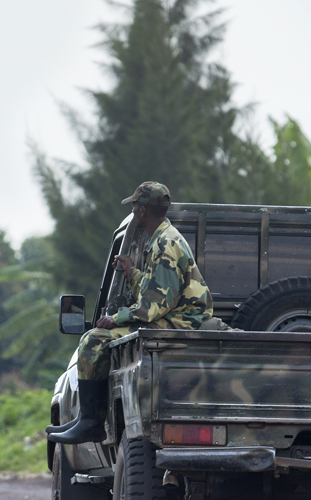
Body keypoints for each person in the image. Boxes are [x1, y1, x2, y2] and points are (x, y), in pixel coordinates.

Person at [49, 182, 212, 445]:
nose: (134, 209)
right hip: (176, 316)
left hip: (181, 322)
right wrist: (132, 273)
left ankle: (92, 424)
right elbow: (156, 288)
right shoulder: (162, 238)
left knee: (94, 339)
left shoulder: (166, 244)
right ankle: (87, 420)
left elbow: (152, 308)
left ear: (143, 211)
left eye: (136, 205)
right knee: (98, 336)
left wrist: (116, 318)